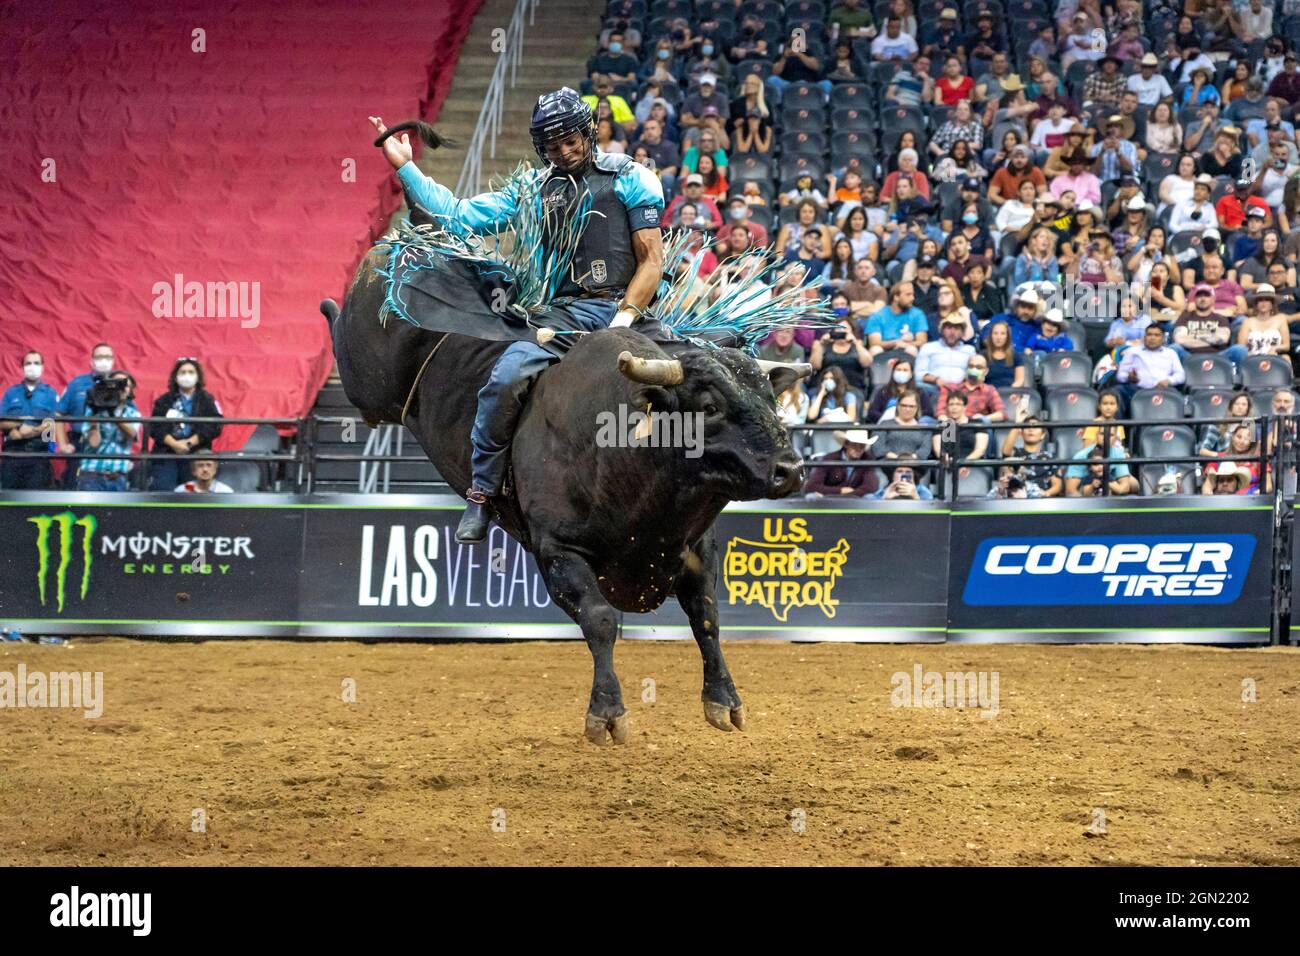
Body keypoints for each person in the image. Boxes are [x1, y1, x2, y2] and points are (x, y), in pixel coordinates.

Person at [370, 89, 665, 542]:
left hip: (628, 313)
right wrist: (406, 168)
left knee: (702, 372)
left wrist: (622, 321)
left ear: (588, 131)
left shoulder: (631, 178)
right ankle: (482, 493)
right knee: (504, 379)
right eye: (552, 147)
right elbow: (456, 216)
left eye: (570, 141)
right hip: (560, 318)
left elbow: (650, 261)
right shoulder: (532, 191)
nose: (564, 153)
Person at [147, 357, 224, 492]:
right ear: (176, 377)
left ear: (198, 376)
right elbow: (155, 428)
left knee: (190, 491)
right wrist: (175, 444)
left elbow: (214, 426)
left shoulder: (207, 400)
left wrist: (189, 443)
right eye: (182, 372)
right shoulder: (164, 400)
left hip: (195, 454)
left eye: (191, 372)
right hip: (167, 454)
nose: (187, 376)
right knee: (163, 490)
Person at [55, 341, 116, 489]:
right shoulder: (77, 384)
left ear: (113, 361)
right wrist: (62, 443)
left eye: (107, 357)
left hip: (110, 447)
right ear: (91, 361)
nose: (103, 360)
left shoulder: (120, 385)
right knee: (74, 490)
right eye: (99, 357)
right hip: (81, 445)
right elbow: (57, 413)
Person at [0, 349, 57, 490]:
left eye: (36, 363)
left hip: (38, 455)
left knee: (35, 504)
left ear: (42, 367)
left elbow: (52, 424)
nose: (32, 366)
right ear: (22, 367)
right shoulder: (11, 392)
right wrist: (20, 426)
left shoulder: (50, 393)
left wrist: (28, 432)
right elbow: (1, 421)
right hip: (12, 454)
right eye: (28, 363)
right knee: (8, 502)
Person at [76, 369, 141, 492]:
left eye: (125, 385)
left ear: (130, 391)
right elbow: (93, 443)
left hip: (118, 476)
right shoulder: (94, 411)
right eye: (116, 384)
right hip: (92, 474)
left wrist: (113, 415)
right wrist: (95, 417)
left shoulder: (133, 414)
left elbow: (131, 434)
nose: (121, 389)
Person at [1172, 284, 1249, 365]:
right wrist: (1211, 338)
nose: (1202, 298)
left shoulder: (1220, 318)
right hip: (1189, 355)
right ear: (1194, 299)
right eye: (1199, 296)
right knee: (1174, 348)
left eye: (1206, 295)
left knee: (1240, 349)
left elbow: (1222, 339)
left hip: (1218, 355)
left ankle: (1241, 377)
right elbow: (1180, 340)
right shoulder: (1185, 316)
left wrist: (1194, 337)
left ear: (1213, 299)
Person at [1115, 324, 1185, 406]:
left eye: (1157, 335)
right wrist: (1128, 377)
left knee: (1177, 396)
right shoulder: (1132, 352)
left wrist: (1169, 381)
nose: (1152, 338)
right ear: (1144, 337)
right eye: (1149, 334)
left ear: (1163, 338)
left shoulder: (1171, 353)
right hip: (1136, 389)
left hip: (1163, 389)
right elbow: (1120, 375)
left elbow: (1181, 376)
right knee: (1117, 391)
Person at [1000, 411, 1063, 497]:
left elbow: (1057, 484)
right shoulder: (1015, 453)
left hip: (1041, 500)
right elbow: (1005, 452)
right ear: (1021, 433)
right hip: (1018, 498)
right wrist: (1018, 423)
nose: (1031, 429)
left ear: (1042, 435)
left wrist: (1046, 493)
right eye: (1027, 427)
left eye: (1035, 427)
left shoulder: (1050, 457)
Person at [804, 429, 878, 498]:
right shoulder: (830, 459)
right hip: (831, 500)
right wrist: (841, 491)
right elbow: (811, 486)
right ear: (846, 444)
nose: (858, 449)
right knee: (811, 496)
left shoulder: (867, 459)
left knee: (870, 497)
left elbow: (870, 487)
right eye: (855, 444)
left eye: (862, 446)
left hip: (852, 500)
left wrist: (840, 494)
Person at [915, 314, 976, 396]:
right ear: (942, 330)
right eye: (949, 328)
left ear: (962, 333)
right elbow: (918, 374)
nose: (952, 332)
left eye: (957, 328)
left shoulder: (969, 350)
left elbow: (974, 373)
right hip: (934, 389)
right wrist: (936, 380)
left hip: (961, 391)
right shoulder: (928, 347)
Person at [865, 282, 928, 356]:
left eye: (913, 294)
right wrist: (895, 343)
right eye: (908, 295)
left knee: (912, 349)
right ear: (896, 297)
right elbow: (874, 343)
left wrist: (906, 344)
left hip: (906, 350)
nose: (912, 298)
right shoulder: (877, 316)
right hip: (885, 352)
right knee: (875, 349)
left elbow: (922, 341)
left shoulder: (917, 314)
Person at [1068, 444, 1138, 496]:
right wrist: (1092, 486)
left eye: (1102, 464)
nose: (1100, 467)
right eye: (1095, 464)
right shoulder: (1088, 478)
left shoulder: (1109, 477)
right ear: (1090, 467)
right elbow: (1084, 493)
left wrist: (1108, 484)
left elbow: (1119, 490)